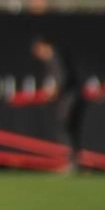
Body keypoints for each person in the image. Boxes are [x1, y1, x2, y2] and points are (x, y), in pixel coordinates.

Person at [29, 34, 86, 172]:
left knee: (66, 126)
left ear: (43, 45)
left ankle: (73, 163)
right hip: (69, 98)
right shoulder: (52, 60)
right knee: (66, 127)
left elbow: (63, 78)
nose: (39, 55)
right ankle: (73, 162)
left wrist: (55, 91)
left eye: (38, 50)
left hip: (72, 98)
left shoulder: (56, 57)